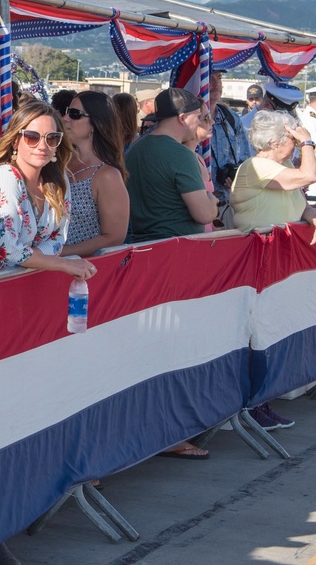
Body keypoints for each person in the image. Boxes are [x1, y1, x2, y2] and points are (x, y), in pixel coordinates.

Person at [229, 109, 316, 430]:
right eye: (292, 141)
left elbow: (296, 195)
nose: (295, 146)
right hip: (259, 261)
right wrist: (309, 142)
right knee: (258, 333)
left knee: (272, 331)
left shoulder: (279, 167)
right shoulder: (257, 167)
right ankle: (253, 405)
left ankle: (262, 401)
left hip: (279, 263)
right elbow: (308, 177)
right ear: (279, 141)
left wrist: (309, 216)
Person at [0, 101, 95, 278]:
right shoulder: (5, 175)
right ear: (15, 141)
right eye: (32, 137)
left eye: (51, 138)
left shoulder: (59, 180)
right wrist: (63, 264)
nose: (42, 146)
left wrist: (35, 259)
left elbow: (58, 240)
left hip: (29, 279)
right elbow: (2, 252)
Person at [126, 88, 217, 243]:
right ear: (182, 118)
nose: (198, 123)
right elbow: (204, 215)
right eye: (197, 118)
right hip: (175, 248)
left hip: (140, 245)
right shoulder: (181, 154)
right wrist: (212, 202)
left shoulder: (135, 148)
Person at [60, 91, 129, 257]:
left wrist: (60, 254)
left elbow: (114, 237)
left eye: (75, 114)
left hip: (82, 272)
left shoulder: (106, 175)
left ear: (95, 124)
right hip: (46, 266)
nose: (65, 118)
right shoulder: (59, 163)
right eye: (67, 111)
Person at [208, 69, 251, 209]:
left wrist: (238, 180)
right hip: (197, 207)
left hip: (229, 204)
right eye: (209, 78)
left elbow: (245, 159)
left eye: (219, 78)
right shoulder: (188, 122)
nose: (216, 84)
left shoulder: (231, 118)